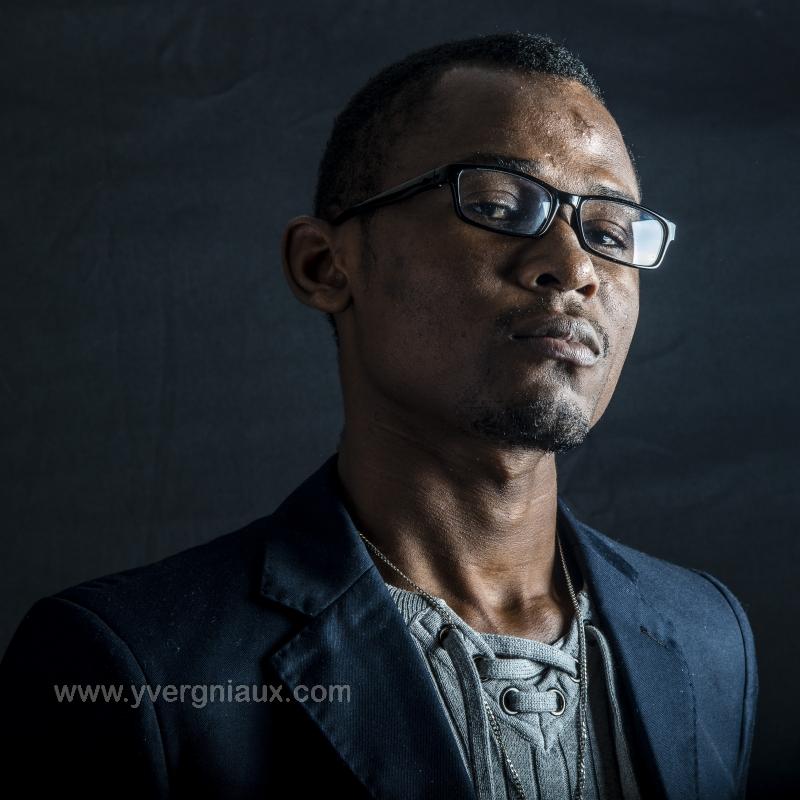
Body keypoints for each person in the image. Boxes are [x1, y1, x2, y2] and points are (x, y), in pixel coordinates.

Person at [0, 32, 756, 800]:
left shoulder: (708, 639)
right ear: (325, 266)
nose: (575, 267)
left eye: (611, 232)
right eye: (498, 205)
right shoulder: (134, 664)